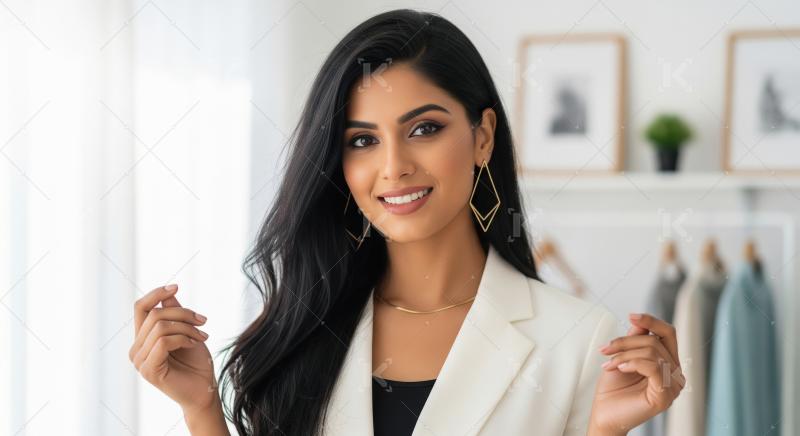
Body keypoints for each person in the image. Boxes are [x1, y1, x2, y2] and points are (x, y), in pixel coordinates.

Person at [128, 9, 684, 436]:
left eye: (424, 129)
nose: (393, 167)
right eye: (363, 140)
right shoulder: (308, 326)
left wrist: (607, 429)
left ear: (482, 136)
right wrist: (201, 408)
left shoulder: (576, 339)